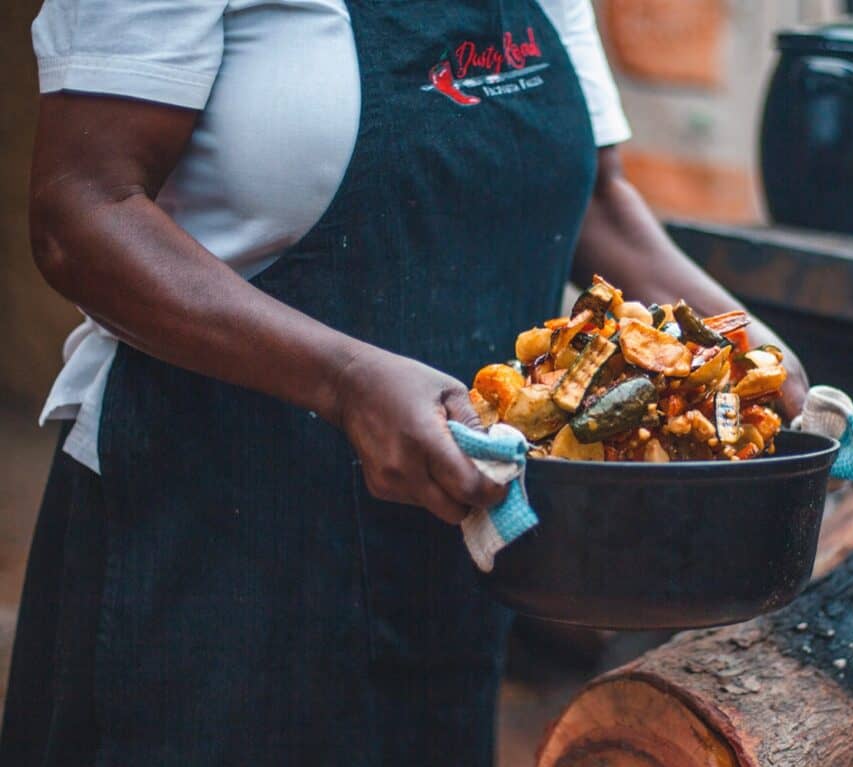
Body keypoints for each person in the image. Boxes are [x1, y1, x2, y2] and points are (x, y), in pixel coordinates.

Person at [1, 0, 808, 765]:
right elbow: (81, 212)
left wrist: (745, 347)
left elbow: (595, 198)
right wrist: (346, 380)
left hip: (448, 558)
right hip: (207, 554)